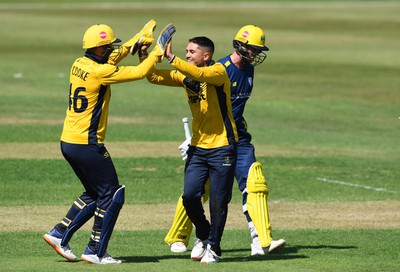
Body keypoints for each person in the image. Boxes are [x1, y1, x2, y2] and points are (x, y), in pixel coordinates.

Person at [42, 20, 176, 264]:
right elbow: (139, 72)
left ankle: (59, 233)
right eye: (107, 47)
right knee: (113, 194)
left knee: (95, 192)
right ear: (99, 49)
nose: (111, 50)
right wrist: (157, 51)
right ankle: (95, 250)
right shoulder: (100, 71)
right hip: (87, 143)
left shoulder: (80, 63)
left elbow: (114, 55)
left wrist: (136, 38)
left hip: (69, 141)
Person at [164, 25, 286, 256]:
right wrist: (194, 140)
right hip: (214, 140)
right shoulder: (219, 69)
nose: (255, 53)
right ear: (239, 45)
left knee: (254, 180)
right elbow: (200, 102)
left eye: (258, 50)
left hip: (238, 137)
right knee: (200, 189)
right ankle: (181, 236)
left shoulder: (248, 69)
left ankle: (259, 239)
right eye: (252, 48)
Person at [141, 36, 238, 264]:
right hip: (198, 147)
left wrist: (172, 58)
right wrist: (145, 55)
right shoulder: (185, 74)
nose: (187, 55)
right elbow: (153, 76)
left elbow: (200, 75)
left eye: (192, 52)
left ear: (206, 56)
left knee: (218, 201)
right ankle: (203, 233)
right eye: (186, 51)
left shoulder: (217, 71)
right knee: (189, 197)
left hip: (222, 146)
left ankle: (214, 247)